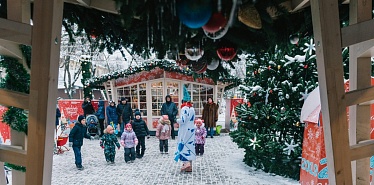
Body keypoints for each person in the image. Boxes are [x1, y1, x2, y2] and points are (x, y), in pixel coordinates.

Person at [174, 101, 196, 172]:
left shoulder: (184, 109)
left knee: (183, 145)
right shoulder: (192, 109)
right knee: (189, 146)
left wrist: (176, 120)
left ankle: (186, 163)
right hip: (191, 129)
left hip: (185, 130)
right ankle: (189, 165)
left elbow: (183, 120)